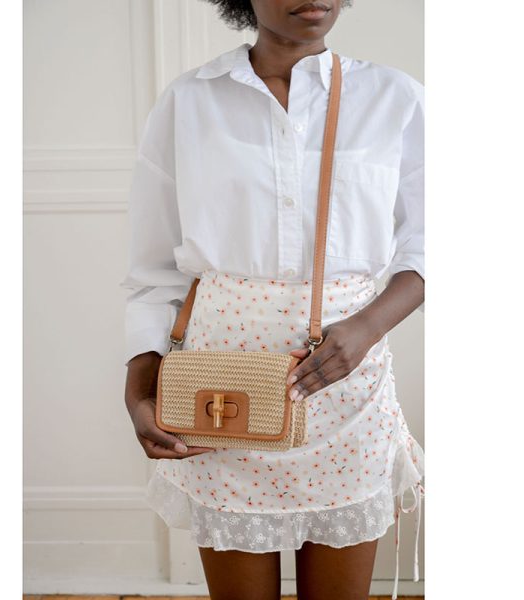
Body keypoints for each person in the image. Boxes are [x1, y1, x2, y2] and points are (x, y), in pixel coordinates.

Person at [121, 1, 425, 599]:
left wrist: (367, 328)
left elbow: (434, 243)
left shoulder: (396, 98)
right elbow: (153, 269)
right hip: (219, 394)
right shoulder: (189, 102)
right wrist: (139, 390)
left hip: (347, 390)